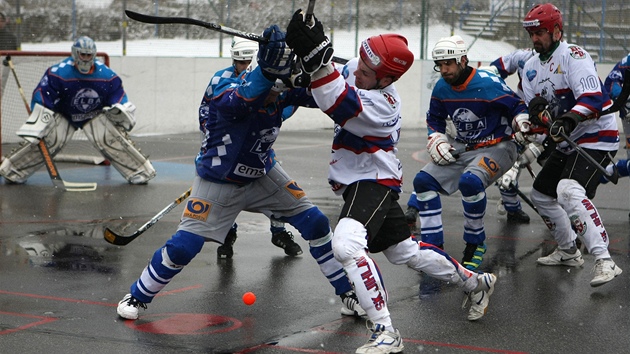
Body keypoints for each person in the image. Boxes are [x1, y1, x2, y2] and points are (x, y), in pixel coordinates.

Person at [116, 24, 366, 321]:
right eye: (275, 89)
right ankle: (139, 294)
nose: (280, 98)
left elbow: (325, 97)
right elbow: (239, 101)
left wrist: (320, 64)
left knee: (316, 223)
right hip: (219, 178)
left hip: (263, 173)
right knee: (185, 246)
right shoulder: (226, 83)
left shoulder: (278, 86)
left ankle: (347, 293)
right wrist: (268, 75)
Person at [286, 13, 497, 353]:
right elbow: (324, 86)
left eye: (367, 73)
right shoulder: (363, 69)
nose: (357, 73)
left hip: (372, 179)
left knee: (346, 245)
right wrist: (297, 68)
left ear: (386, 78)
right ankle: (475, 282)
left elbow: (335, 100)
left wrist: (316, 62)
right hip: (361, 181)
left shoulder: (384, 105)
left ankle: (385, 330)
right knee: (404, 252)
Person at [407, 34, 529, 273]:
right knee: (422, 182)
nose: (443, 70)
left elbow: (517, 105)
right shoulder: (442, 87)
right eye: (440, 65)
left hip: (499, 146)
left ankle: (475, 244)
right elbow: (435, 118)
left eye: (448, 64)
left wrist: (521, 121)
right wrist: (436, 137)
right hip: (464, 147)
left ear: (463, 60)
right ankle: (433, 247)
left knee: (470, 182)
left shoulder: (488, 83)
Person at [521, 3, 622, 286]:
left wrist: (566, 119)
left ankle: (604, 260)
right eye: (532, 34)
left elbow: (593, 99)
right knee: (541, 194)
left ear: (556, 30)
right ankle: (568, 251)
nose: (535, 39)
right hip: (568, 141)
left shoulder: (574, 56)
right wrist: (535, 116)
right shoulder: (530, 67)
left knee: (568, 190)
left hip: (597, 137)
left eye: (540, 33)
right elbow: (534, 107)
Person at [0, 36, 156, 185]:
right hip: (65, 113)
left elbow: (118, 95)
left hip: (93, 115)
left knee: (109, 138)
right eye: (82, 54)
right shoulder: (58, 72)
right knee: (51, 139)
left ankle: (140, 171)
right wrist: (41, 114)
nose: (86, 59)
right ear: (75, 53)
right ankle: (13, 170)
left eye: (89, 55)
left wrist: (120, 108)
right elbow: (43, 92)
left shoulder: (107, 75)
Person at [204, 37, 302, 259]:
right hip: (227, 148)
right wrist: (212, 136)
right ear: (233, 60)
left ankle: (279, 232)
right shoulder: (219, 78)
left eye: (249, 60)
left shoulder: (266, 78)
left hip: (257, 146)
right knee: (225, 195)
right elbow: (205, 108)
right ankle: (227, 236)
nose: (245, 66)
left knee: (275, 189)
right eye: (240, 62)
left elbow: (286, 106)